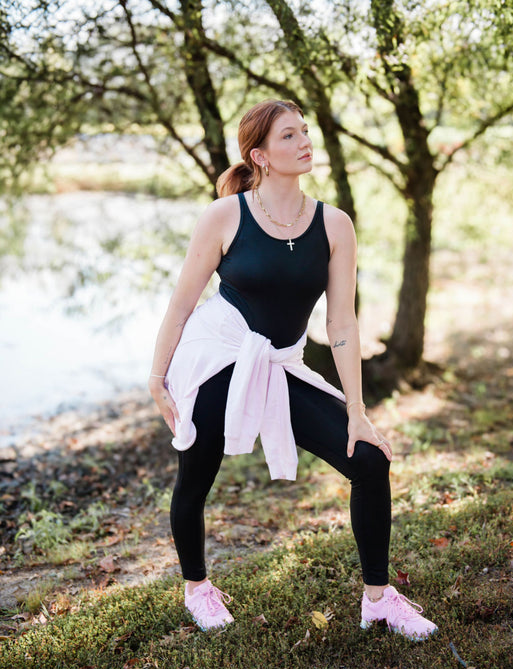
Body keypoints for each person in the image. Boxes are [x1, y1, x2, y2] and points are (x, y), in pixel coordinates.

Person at [149, 99, 437, 640]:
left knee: (369, 460)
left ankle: (378, 599)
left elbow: (343, 322)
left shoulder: (333, 224)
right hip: (218, 355)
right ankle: (197, 589)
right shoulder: (224, 216)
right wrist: (157, 377)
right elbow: (182, 303)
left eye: (305, 131)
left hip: (280, 361)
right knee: (196, 475)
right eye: (289, 136)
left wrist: (357, 412)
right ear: (258, 154)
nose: (305, 141)